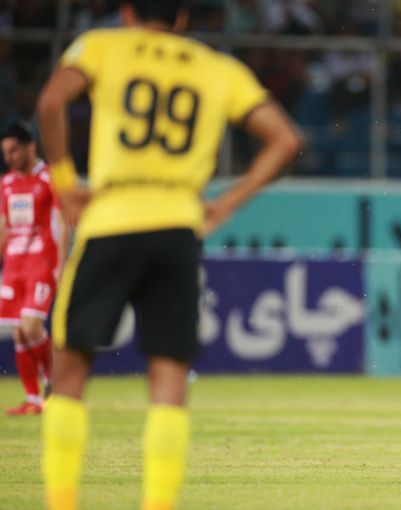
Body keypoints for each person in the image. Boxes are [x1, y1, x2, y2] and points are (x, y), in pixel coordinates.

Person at [35, 1, 303, 509]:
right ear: (182, 18)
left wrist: (65, 183)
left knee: (70, 368)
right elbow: (286, 139)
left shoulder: (102, 47)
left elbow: (51, 102)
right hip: (178, 224)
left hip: (112, 218)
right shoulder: (217, 67)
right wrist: (225, 203)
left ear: (127, 13)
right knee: (169, 374)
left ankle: (62, 502)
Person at [0, 120, 67, 415]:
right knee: (18, 332)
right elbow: (4, 226)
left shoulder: (50, 178)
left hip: (42, 261)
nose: (9, 158)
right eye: (5, 153)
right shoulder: (6, 183)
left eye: (14, 151)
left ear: (30, 147)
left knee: (32, 326)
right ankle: (33, 399)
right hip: (14, 264)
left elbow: (62, 223)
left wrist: (62, 264)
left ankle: (55, 387)